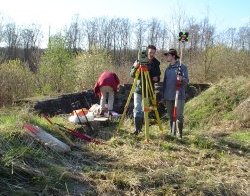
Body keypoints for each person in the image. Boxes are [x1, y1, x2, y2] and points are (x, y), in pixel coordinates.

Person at [130, 45, 161, 135]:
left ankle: (145, 129)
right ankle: (137, 130)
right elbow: (131, 74)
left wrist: (157, 78)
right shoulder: (139, 61)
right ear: (147, 52)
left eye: (153, 53)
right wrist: (136, 67)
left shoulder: (156, 63)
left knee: (146, 109)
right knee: (137, 108)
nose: (151, 54)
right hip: (139, 89)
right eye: (150, 52)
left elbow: (158, 75)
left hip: (148, 90)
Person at [162, 49, 189, 138]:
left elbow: (186, 81)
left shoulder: (182, 67)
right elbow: (165, 83)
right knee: (170, 116)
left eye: (168, 55)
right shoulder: (168, 69)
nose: (167, 57)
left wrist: (181, 79)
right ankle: (172, 133)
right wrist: (163, 96)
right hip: (168, 96)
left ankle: (179, 134)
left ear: (173, 56)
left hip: (179, 96)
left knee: (179, 116)